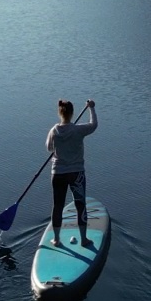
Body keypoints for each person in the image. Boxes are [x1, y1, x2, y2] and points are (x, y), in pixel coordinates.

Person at [46, 98, 98, 248]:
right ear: (72, 113)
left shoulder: (53, 131)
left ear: (60, 113)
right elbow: (94, 125)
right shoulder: (78, 130)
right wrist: (91, 108)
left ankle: (56, 240)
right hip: (76, 174)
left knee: (57, 206)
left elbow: (49, 148)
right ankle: (84, 240)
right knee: (80, 204)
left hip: (58, 173)